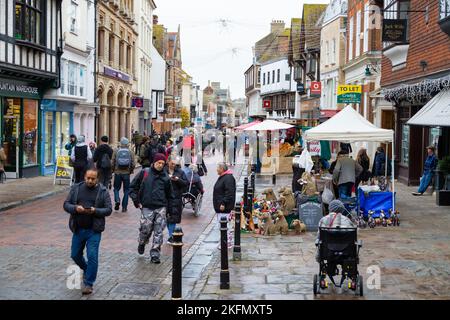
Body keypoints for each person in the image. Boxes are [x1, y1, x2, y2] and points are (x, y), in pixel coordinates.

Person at [63, 169, 112, 295]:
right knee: (75, 255)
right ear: (84, 177)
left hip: (94, 230)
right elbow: (66, 204)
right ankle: (86, 269)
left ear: (97, 179)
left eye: (93, 179)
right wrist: (75, 208)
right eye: (88, 178)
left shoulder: (103, 191)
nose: (90, 181)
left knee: (92, 256)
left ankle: (89, 283)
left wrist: (95, 210)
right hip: (78, 229)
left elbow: (108, 209)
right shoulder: (76, 188)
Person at [129, 153, 176, 263]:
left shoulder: (165, 177)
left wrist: (170, 210)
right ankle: (142, 242)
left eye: (162, 163)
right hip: (147, 207)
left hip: (161, 207)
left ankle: (155, 253)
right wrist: (136, 201)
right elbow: (132, 187)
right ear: (154, 162)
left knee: (158, 231)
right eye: (158, 163)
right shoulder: (145, 173)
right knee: (146, 229)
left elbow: (170, 195)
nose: (160, 165)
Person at [165, 156, 188, 243]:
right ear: (168, 162)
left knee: (173, 218)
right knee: (166, 218)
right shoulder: (163, 171)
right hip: (165, 197)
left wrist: (178, 180)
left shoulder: (180, 172)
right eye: (172, 163)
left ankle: (172, 236)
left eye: (175, 164)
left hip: (176, 197)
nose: (173, 165)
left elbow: (185, 183)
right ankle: (171, 235)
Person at [213, 162, 236, 249]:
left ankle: (226, 243)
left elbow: (229, 193)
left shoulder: (228, 178)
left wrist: (223, 203)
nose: (216, 170)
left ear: (222, 169)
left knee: (225, 226)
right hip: (221, 207)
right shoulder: (224, 177)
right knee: (223, 225)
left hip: (224, 208)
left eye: (218, 168)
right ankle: (224, 241)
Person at [111, 137, 135, 213]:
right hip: (126, 173)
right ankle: (124, 207)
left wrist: (113, 170)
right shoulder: (130, 151)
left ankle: (117, 200)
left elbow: (113, 161)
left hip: (117, 173)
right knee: (126, 190)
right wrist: (130, 171)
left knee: (116, 188)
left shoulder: (116, 150)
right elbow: (133, 163)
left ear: (120, 143)